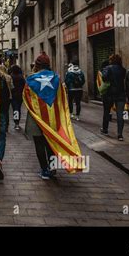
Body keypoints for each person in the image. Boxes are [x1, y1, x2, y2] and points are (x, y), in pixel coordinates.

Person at [23, 52, 84, 180]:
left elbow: (26, 98)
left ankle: (44, 170)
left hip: (36, 117)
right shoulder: (57, 78)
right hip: (52, 116)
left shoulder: (31, 79)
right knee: (50, 142)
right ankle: (52, 168)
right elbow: (62, 98)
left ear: (37, 65)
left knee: (39, 143)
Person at [101, 54, 127, 141]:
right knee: (120, 114)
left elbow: (104, 78)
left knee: (107, 112)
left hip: (109, 93)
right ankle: (120, 135)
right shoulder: (123, 70)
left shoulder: (108, 68)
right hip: (121, 94)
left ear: (111, 60)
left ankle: (105, 129)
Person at [9, 64, 25, 130]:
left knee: (15, 109)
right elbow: (24, 85)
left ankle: (16, 123)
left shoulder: (11, 77)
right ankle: (17, 122)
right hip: (20, 95)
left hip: (13, 95)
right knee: (18, 108)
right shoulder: (21, 77)